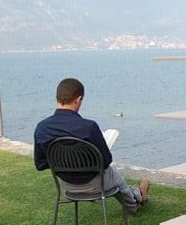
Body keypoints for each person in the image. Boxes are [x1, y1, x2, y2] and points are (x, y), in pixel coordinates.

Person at [34, 78, 149, 214]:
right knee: (114, 175)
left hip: (67, 184)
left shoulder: (42, 128)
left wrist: (66, 161)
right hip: (96, 184)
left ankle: (138, 194)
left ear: (57, 98)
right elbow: (106, 161)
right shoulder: (89, 127)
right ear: (78, 99)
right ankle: (137, 198)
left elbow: (40, 164)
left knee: (114, 177)